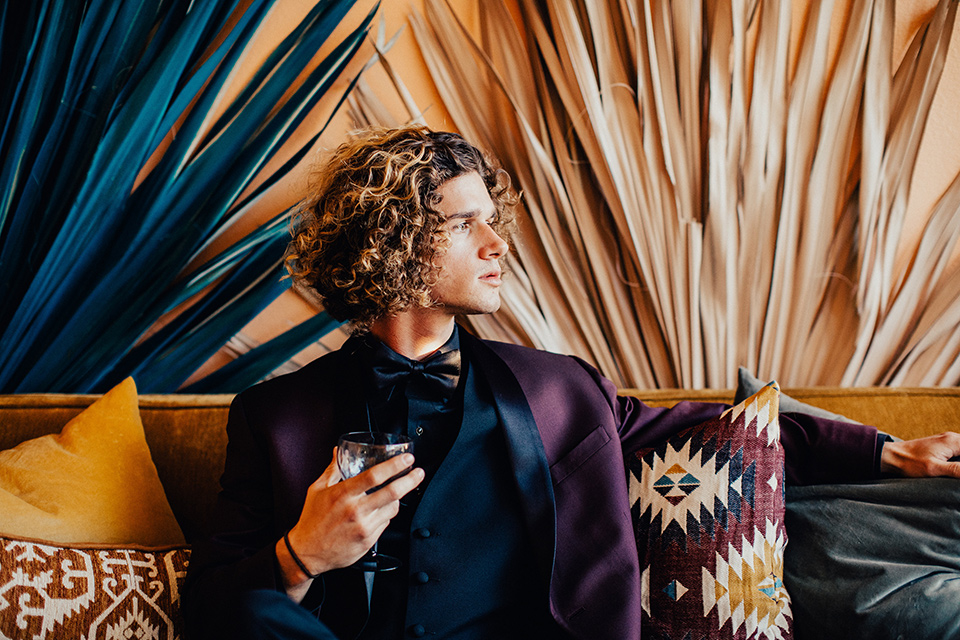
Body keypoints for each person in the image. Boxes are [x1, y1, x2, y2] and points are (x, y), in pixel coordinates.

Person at [182, 125, 960, 640]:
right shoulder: (273, 416)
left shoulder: (561, 391)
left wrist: (888, 454)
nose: (497, 245)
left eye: (494, 219)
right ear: (393, 243)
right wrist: (300, 555)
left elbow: (724, 427)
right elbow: (213, 607)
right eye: (465, 225)